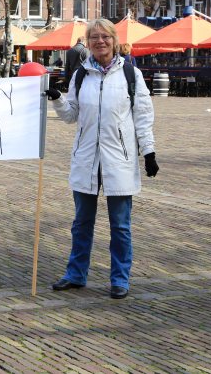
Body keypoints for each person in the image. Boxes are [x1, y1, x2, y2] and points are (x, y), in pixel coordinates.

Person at [44, 18, 158, 300]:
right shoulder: (81, 75)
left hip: (119, 159)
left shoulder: (131, 74)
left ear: (114, 39)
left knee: (120, 225)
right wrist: (58, 99)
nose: (100, 41)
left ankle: (120, 278)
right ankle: (75, 273)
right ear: (88, 42)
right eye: (94, 37)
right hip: (86, 158)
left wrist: (149, 152)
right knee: (81, 222)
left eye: (105, 36)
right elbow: (71, 115)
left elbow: (143, 117)